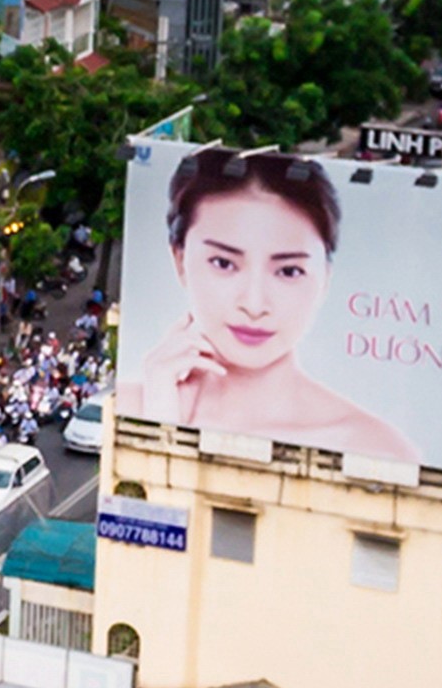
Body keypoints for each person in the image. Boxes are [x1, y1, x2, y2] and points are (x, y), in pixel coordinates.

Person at [111, 147, 409, 464]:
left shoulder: (377, 449)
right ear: (180, 259)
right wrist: (161, 412)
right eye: (224, 263)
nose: (254, 305)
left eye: (288, 271)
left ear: (325, 278)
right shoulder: (135, 405)